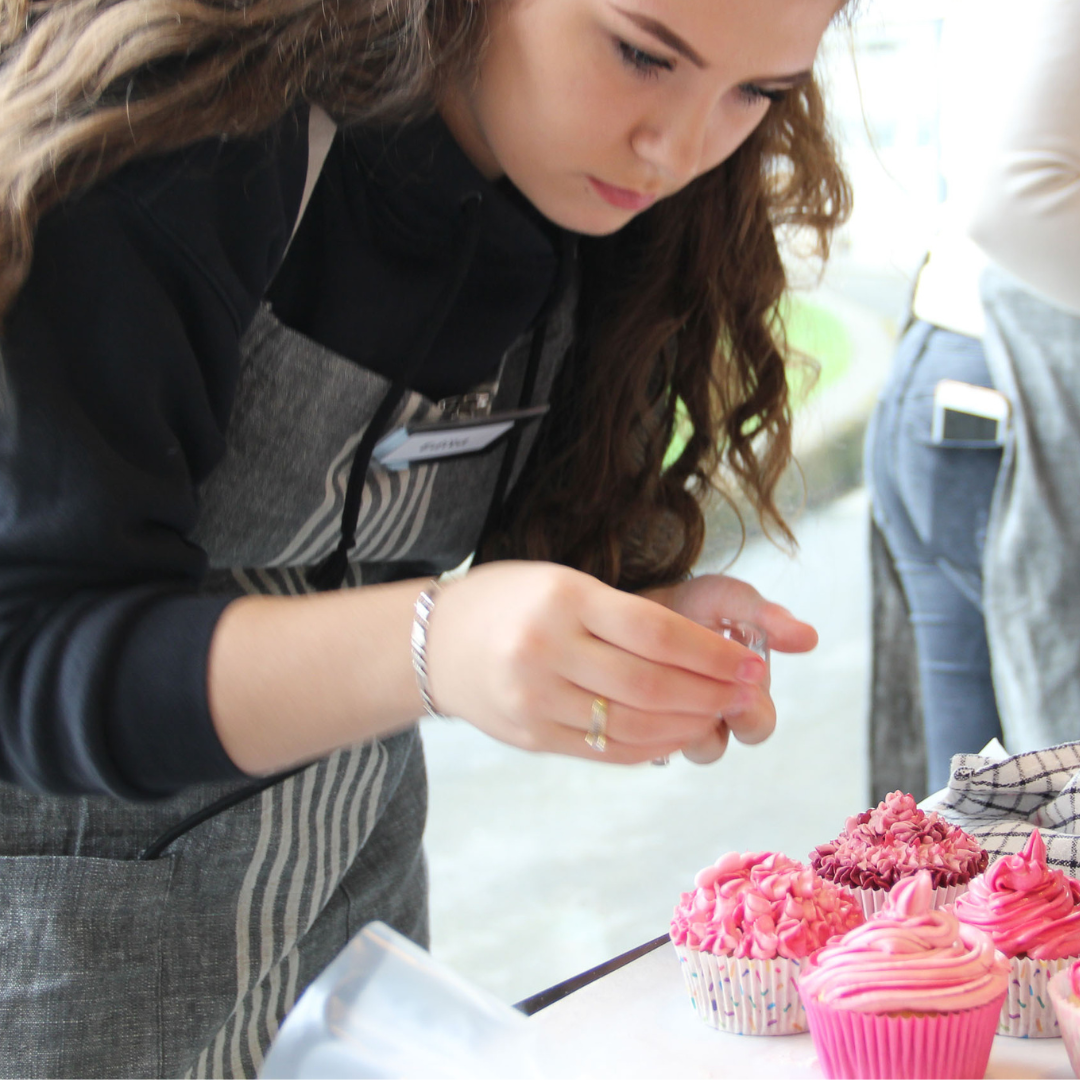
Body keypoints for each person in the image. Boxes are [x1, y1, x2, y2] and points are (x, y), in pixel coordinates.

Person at [0, 0, 848, 1074]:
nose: (677, 147)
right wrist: (436, 642)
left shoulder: (608, 201)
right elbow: (32, 649)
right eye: (639, 54)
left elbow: (481, 546)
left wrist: (611, 624)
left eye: (756, 94)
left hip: (350, 927)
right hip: (58, 951)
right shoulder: (183, 129)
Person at [865, 0, 1080, 791]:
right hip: (1015, 399)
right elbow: (1014, 198)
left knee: (976, 820)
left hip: (965, 377)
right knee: (1024, 814)